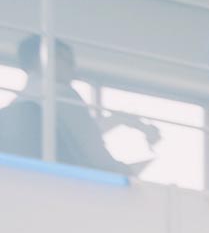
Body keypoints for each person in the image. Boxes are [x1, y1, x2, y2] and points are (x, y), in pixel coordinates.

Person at [0, 36, 157, 175]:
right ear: (47, 57)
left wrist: (118, 120)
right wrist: (127, 173)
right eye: (68, 61)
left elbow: (71, 133)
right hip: (68, 182)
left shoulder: (19, 104)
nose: (73, 68)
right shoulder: (63, 93)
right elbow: (93, 152)